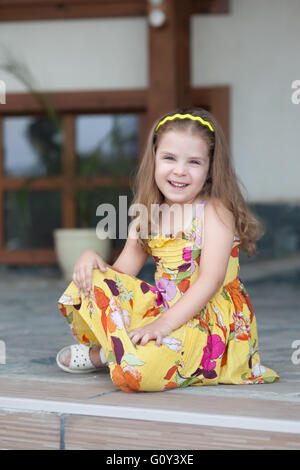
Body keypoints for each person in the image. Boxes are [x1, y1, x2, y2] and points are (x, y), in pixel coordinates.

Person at [56, 107, 279, 392]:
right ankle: (128, 351)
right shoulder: (148, 213)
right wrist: (91, 258)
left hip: (207, 320)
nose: (180, 171)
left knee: (144, 372)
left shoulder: (214, 212)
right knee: (90, 280)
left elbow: (210, 281)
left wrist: (162, 326)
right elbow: (121, 275)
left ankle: (106, 355)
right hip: (163, 308)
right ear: (154, 160)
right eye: (170, 158)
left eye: (194, 162)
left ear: (211, 168)